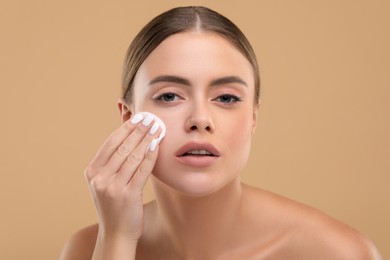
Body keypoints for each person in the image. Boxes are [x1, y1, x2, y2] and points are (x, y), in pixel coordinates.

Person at [60, 6, 381, 260]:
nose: (200, 119)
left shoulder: (338, 253)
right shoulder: (86, 251)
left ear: (254, 116)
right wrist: (117, 239)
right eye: (169, 96)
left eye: (226, 98)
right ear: (129, 117)